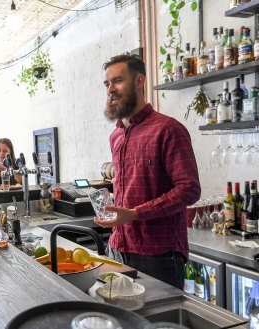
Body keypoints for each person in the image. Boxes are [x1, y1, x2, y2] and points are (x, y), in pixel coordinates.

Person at [95, 53, 201, 289]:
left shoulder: (169, 129)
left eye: (118, 81)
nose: (111, 89)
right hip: (117, 248)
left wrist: (134, 213)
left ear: (139, 81)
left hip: (158, 256)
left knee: (159, 326)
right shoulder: (117, 135)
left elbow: (189, 190)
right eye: (107, 83)